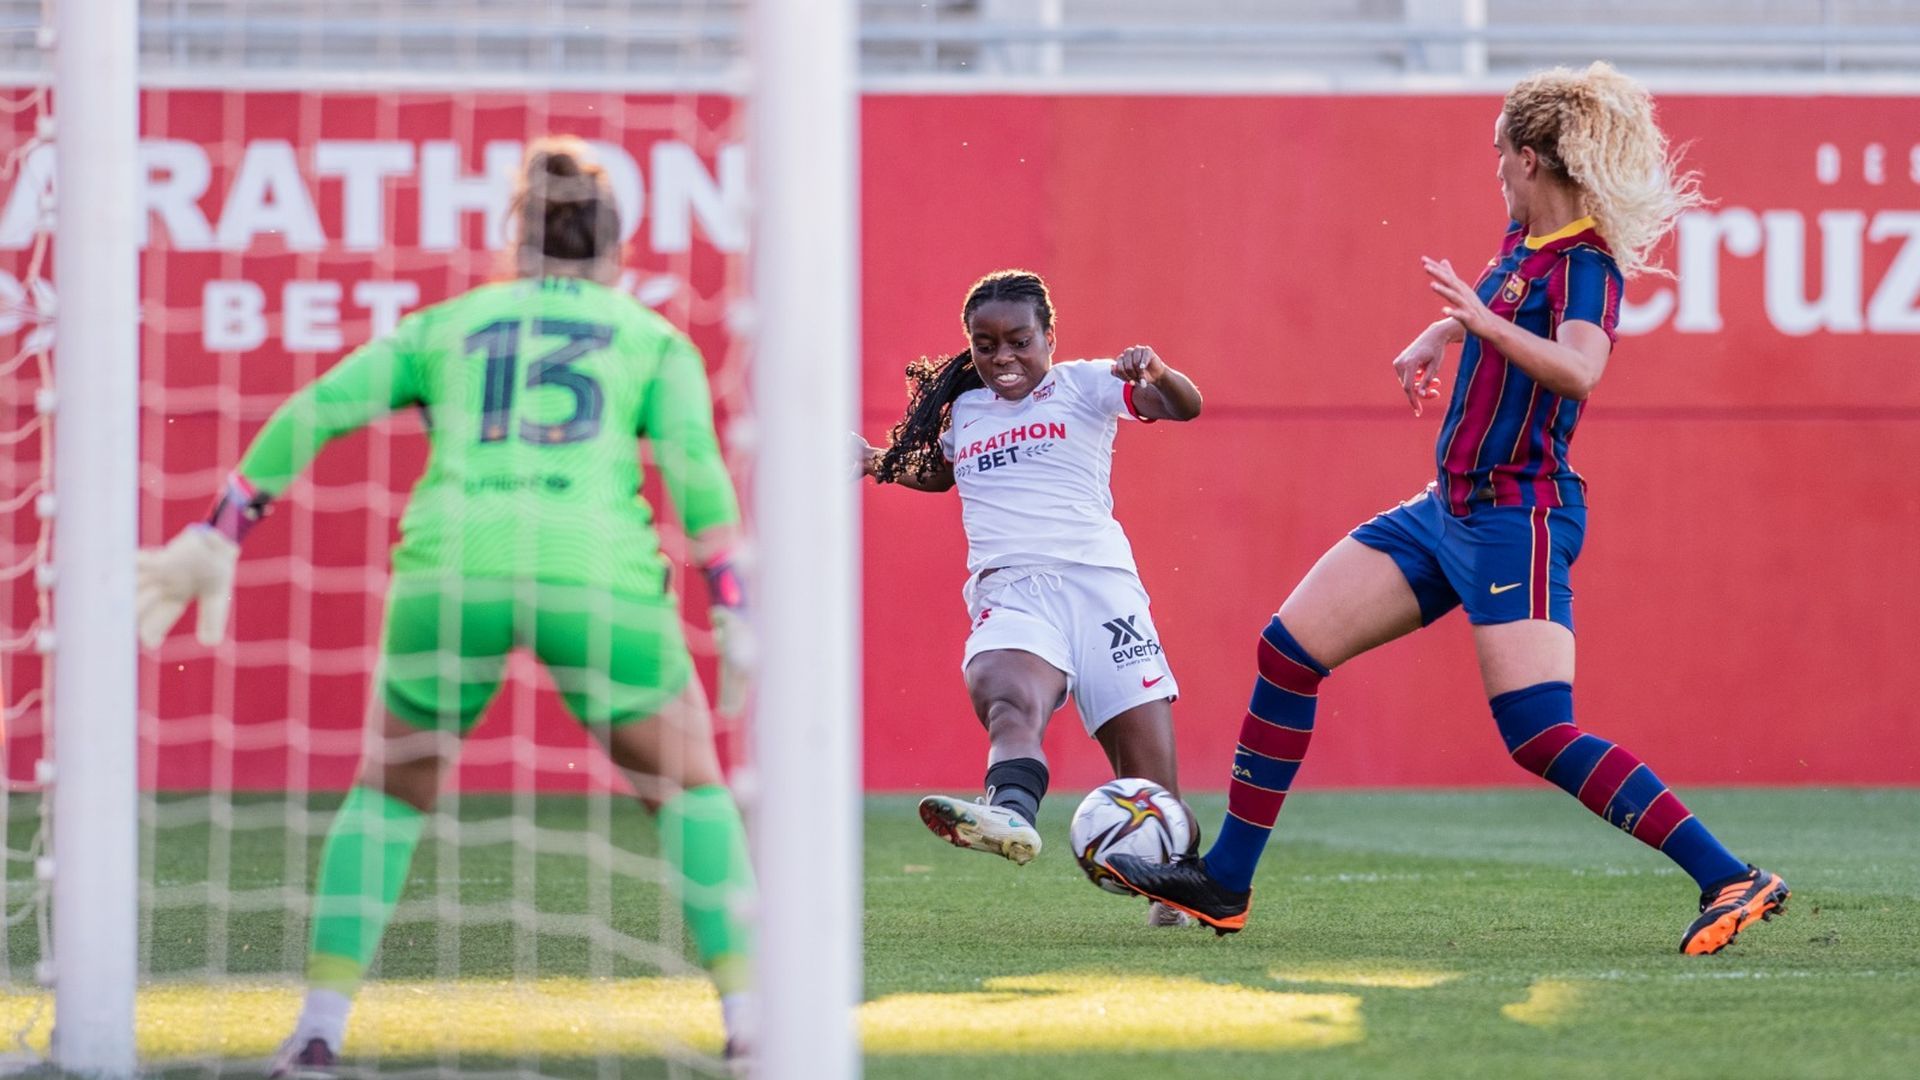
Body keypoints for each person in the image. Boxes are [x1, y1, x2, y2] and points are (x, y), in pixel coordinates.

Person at [1109, 62, 1789, 956]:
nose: (1495, 167)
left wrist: (1479, 318)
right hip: (1447, 510)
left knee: (1539, 732)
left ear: (1532, 157)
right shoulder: (1524, 240)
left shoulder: (1586, 266)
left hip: (1519, 515)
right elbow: (1507, 305)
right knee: (1287, 652)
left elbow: (1580, 370)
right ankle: (1226, 883)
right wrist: (1449, 328)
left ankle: (1731, 875)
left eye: (1502, 152)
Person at [136, 136, 758, 1073]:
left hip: (451, 567)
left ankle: (318, 1028)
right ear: (617, 252)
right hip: (594, 571)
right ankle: (750, 1020)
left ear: (515, 243)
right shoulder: (652, 338)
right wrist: (733, 600)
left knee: (389, 794)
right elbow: (696, 469)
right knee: (690, 789)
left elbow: (319, 408)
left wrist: (221, 530)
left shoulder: (445, 325)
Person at [856, 269, 1204, 926]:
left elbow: (1185, 407)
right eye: (986, 345)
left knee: (1155, 793)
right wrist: (874, 459)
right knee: (1007, 699)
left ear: (1049, 337)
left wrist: (1158, 372)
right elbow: (938, 474)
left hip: (1102, 593)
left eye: (1019, 341)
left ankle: (1171, 886)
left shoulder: (1085, 384)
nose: (1003, 359)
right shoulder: (966, 411)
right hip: (1012, 591)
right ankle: (1009, 814)